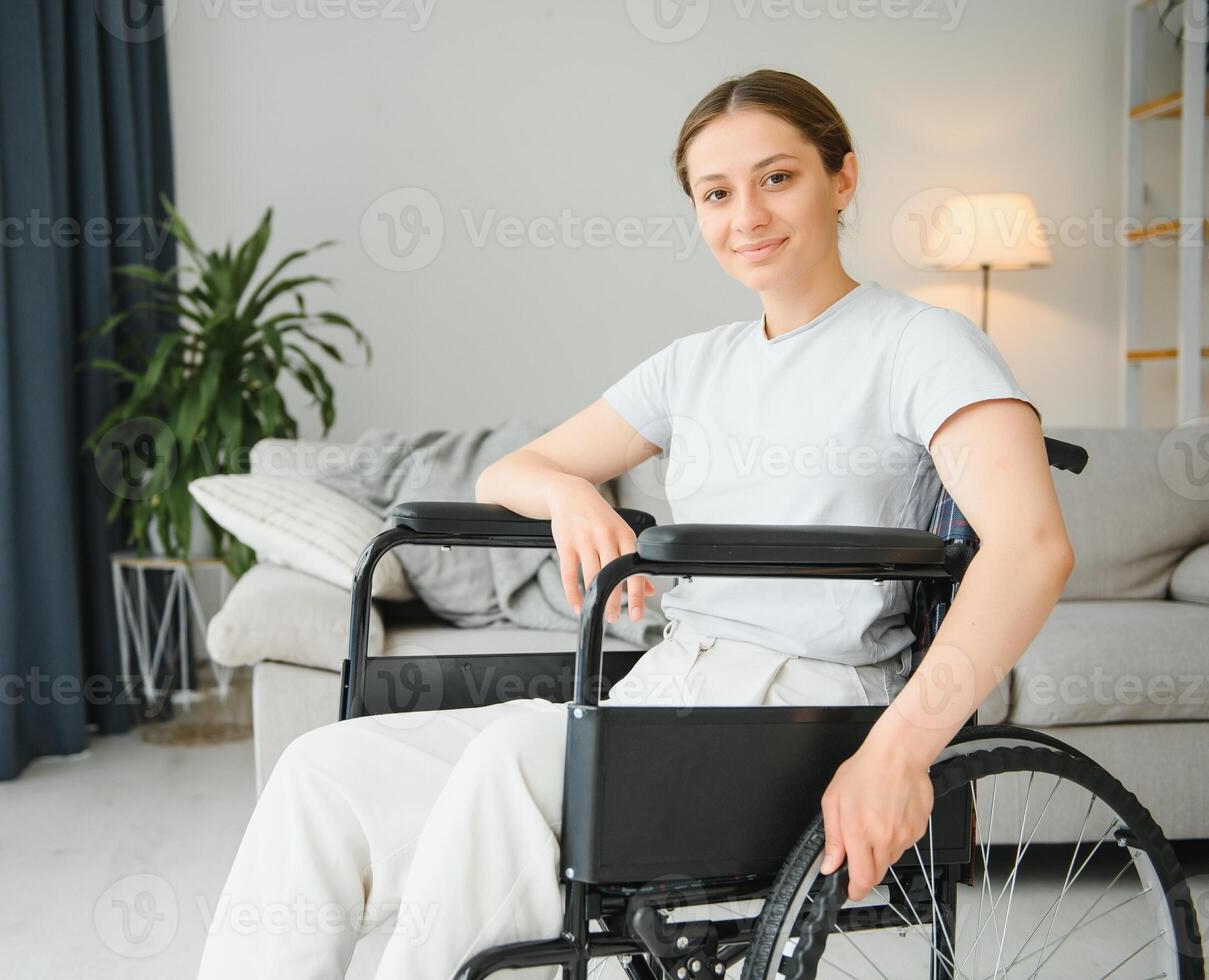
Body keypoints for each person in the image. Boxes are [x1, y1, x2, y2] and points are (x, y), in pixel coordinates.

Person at [195, 68, 1075, 980]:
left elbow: (1031, 546)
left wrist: (899, 753)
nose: (748, 216)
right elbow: (514, 470)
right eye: (716, 193)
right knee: (320, 770)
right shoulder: (693, 366)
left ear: (841, 178)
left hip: (803, 707)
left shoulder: (920, 344)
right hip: (668, 694)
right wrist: (575, 494)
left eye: (778, 178)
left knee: (507, 760)